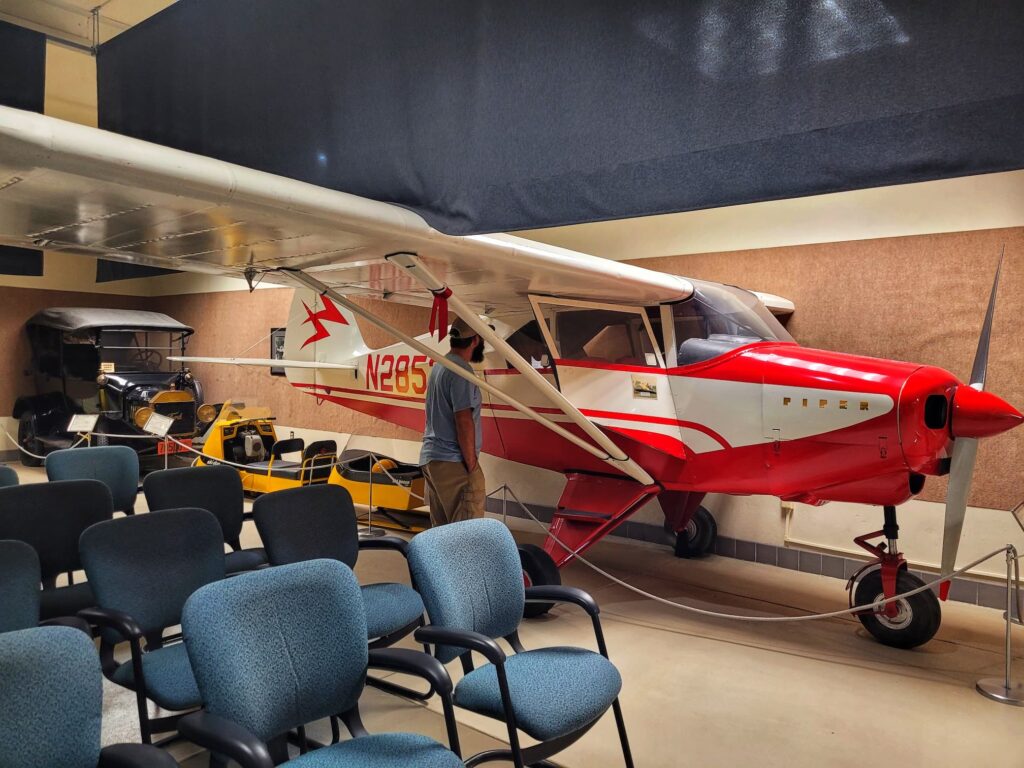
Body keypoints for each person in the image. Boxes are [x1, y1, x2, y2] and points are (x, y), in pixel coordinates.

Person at [419, 316, 486, 526]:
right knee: (466, 534)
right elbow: (463, 419)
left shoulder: (440, 366)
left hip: (432, 459)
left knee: (442, 532)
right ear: (475, 341)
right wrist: (472, 466)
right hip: (453, 461)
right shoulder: (462, 371)